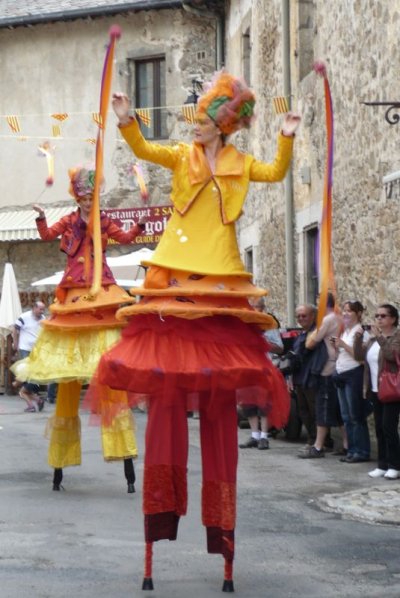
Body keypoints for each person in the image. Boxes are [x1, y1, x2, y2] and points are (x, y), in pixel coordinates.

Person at [87, 72, 300, 591]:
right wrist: (126, 120)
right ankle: (158, 524)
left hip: (220, 276)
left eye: (204, 121)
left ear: (222, 126)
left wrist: (286, 135)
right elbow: (145, 149)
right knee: (166, 396)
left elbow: (275, 171)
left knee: (219, 407)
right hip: (176, 273)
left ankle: (223, 540)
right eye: (197, 121)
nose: (196, 127)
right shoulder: (183, 156)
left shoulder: (240, 163)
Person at [12, 166, 143, 492]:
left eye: (91, 196)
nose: (87, 201)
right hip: (73, 296)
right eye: (83, 197)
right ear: (77, 197)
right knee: (67, 382)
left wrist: (139, 225)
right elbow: (46, 235)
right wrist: (41, 217)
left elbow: (126, 238)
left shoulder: (104, 220)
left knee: (111, 377)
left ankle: (127, 466)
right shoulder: (70, 220)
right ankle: (59, 466)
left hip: (101, 296)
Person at [353, 304, 400, 479]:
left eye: (383, 316)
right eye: (377, 316)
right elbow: (359, 356)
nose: (379, 319)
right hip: (375, 389)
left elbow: (391, 355)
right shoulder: (373, 339)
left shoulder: (397, 336)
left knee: (389, 427)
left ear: (393, 319)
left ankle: (395, 465)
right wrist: (358, 338)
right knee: (379, 428)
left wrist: (379, 337)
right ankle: (382, 464)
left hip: (391, 389)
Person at [299, 293, 343, 458]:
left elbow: (310, 343)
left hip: (327, 368)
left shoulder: (327, 320)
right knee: (338, 410)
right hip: (336, 365)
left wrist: (312, 333)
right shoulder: (338, 318)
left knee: (322, 407)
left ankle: (318, 446)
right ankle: (346, 444)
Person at [239, 298, 283, 450]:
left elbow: (279, 347)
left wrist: (262, 343)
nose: (254, 309)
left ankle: (264, 436)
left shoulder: (269, 324)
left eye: (257, 306)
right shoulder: (244, 324)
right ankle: (254, 435)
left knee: (264, 402)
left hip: (265, 367)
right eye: (252, 306)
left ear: (263, 307)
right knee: (248, 402)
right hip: (247, 366)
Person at [332, 300, 371, 464]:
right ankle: (352, 450)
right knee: (346, 416)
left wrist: (342, 344)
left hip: (354, 375)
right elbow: (341, 354)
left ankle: (362, 451)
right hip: (342, 373)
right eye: (344, 310)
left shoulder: (361, 332)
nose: (345, 314)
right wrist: (337, 347)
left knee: (356, 415)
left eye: (349, 311)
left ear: (358, 313)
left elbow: (360, 358)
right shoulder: (346, 331)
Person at [290, 304, 318, 446]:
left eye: (304, 315)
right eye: (299, 316)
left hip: (312, 378)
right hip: (299, 378)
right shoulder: (300, 335)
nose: (301, 318)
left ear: (313, 316)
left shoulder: (316, 334)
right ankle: (312, 437)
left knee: (314, 410)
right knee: (303, 410)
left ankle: (319, 440)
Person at [12, 301, 46, 412]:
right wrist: (15, 343)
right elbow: (15, 329)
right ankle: (35, 399)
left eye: (43, 309)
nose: (42, 311)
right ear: (34, 308)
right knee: (25, 371)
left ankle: (33, 400)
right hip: (25, 348)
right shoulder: (24, 317)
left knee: (32, 373)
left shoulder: (43, 318)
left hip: (37, 350)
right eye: (40, 309)